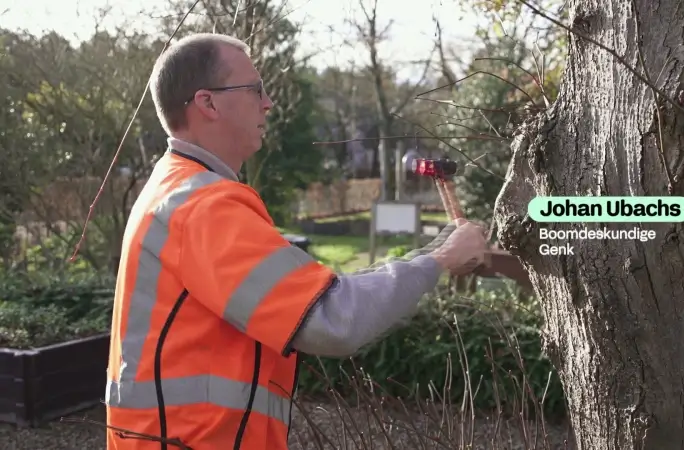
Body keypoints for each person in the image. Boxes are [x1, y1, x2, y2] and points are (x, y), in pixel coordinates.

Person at [105, 32, 488, 450]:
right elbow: (335, 319)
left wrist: (435, 253)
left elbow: (320, 296)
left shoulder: (176, 189)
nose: (268, 103)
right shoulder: (203, 206)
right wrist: (441, 260)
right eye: (255, 90)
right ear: (208, 103)